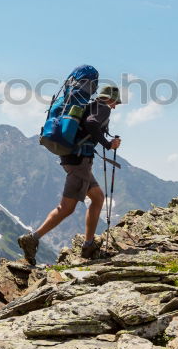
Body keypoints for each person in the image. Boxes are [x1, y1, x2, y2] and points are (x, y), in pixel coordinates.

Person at [18, 84, 122, 263]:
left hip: (73, 158)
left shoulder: (89, 106)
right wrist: (108, 144)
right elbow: (91, 124)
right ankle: (32, 239)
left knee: (97, 197)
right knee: (66, 207)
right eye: (116, 103)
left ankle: (88, 245)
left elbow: (87, 125)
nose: (115, 106)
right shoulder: (102, 108)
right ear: (110, 98)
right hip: (80, 161)